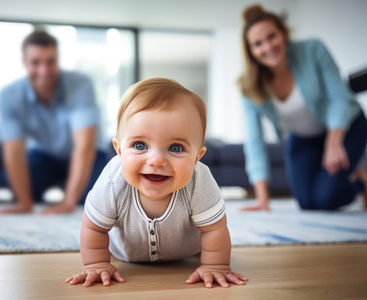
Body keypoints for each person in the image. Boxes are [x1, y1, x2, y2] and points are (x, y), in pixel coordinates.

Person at [66, 78, 248, 288]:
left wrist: (216, 266)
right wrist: (96, 264)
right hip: (124, 254)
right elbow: (93, 227)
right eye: (140, 145)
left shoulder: (199, 180)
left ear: (197, 158)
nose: (156, 160)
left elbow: (215, 229)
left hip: (187, 253)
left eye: (176, 148)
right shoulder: (112, 180)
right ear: (119, 150)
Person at [238, 5, 367, 211]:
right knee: (307, 203)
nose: (267, 47)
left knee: (325, 199)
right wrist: (262, 199)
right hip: (303, 137)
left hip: (346, 127)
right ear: (250, 51)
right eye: (257, 44)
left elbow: (340, 97)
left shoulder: (313, 50)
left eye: (272, 37)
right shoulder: (249, 87)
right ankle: (356, 177)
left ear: (284, 33)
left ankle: (361, 183)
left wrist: (333, 143)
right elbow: (254, 142)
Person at [0, 31, 107, 214]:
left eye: (50, 62)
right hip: (46, 156)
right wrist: (25, 203)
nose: (44, 70)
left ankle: (72, 193)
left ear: (58, 60)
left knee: (92, 200)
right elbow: (14, 152)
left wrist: (68, 202)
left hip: (90, 156)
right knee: (10, 179)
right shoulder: (9, 96)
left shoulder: (80, 85)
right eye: (35, 63)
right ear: (24, 62)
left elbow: (84, 147)